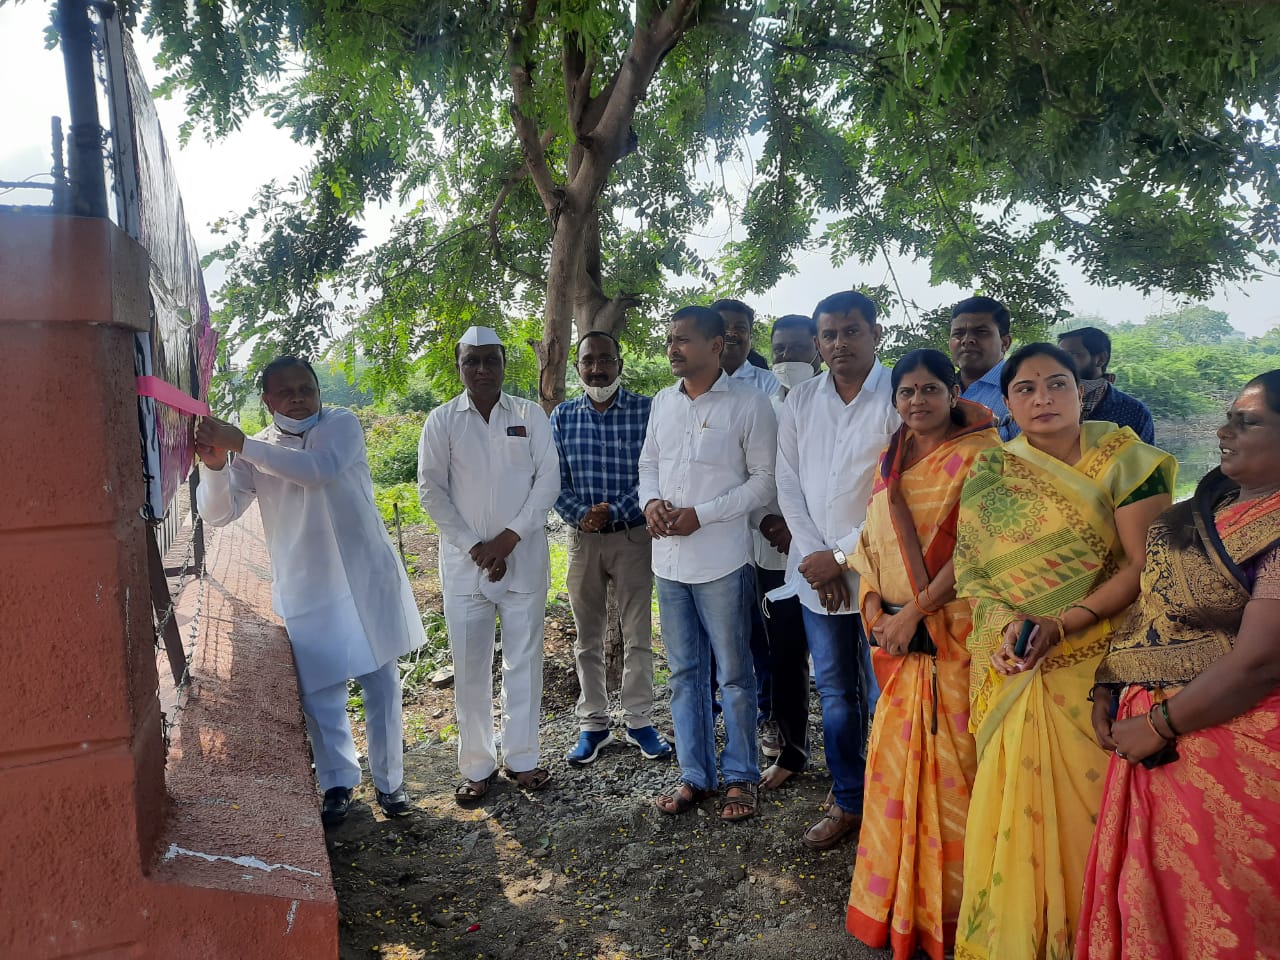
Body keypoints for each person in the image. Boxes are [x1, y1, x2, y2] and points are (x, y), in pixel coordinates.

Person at [952, 343, 1175, 960]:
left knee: (1093, 814)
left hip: (1100, 664)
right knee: (1014, 810)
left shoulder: (1129, 462)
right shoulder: (993, 472)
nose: (1042, 399)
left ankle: (1097, 939)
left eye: (1057, 385)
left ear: (1086, 392)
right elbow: (975, 576)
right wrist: (1004, 631)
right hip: (1020, 664)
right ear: (1009, 402)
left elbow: (1144, 567)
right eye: (1025, 389)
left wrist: (1064, 620)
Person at [1076, 370, 1280, 960]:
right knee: (1153, 893)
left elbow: (1261, 662)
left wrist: (1161, 724)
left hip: (1237, 746)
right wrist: (1109, 685)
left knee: (1233, 909)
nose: (1223, 432)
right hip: (1152, 731)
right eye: (1227, 417)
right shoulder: (1198, 512)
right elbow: (1153, 605)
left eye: (1247, 422)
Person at [194, 356, 426, 826]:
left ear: (319, 390)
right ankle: (338, 783)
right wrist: (218, 466)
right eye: (286, 391)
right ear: (267, 400)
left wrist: (241, 445)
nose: (299, 397)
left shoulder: (341, 424)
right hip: (308, 584)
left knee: (381, 685)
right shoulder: (256, 448)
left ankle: (390, 782)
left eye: (306, 387)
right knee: (322, 694)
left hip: (364, 577)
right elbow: (218, 515)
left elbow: (317, 469)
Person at [845, 350, 999, 960]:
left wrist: (917, 612)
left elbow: (984, 551)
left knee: (955, 768)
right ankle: (893, 902)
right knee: (895, 765)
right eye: (906, 392)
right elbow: (869, 542)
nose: (916, 402)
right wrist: (878, 609)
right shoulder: (892, 459)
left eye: (930, 389)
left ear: (953, 390)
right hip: (900, 636)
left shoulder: (986, 457)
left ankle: (954, 911)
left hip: (956, 633)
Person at [775, 290, 900, 849]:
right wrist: (816, 559)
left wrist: (843, 555)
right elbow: (788, 483)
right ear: (818, 344)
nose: (839, 343)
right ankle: (849, 798)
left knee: (886, 694)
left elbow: (899, 491)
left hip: (883, 574)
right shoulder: (801, 401)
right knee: (833, 692)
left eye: (851, 331)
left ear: (876, 334)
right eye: (829, 335)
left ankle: (892, 800)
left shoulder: (901, 394)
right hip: (816, 575)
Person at [641, 305, 777, 822]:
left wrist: (704, 515)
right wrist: (650, 502)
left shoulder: (751, 405)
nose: (673, 348)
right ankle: (695, 774)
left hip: (721, 559)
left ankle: (741, 776)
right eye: (670, 339)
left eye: (684, 340)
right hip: (668, 562)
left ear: (717, 345)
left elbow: (764, 481)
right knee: (683, 674)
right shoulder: (663, 402)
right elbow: (648, 463)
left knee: (735, 675)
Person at [418, 326, 560, 803]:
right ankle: (477, 766)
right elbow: (430, 491)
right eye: (471, 361)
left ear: (504, 364)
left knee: (524, 663)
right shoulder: (442, 421)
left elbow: (548, 482)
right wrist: (476, 548)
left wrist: (508, 539)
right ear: (459, 365)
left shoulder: (529, 416)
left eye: (490, 360)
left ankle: (522, 758)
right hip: (466, 567)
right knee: (470, 667)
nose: (481, 370)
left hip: (523, 559)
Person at [550, 331, 670, 765]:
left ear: (620, 363)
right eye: (588, 361)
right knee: (588, 636)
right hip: (583, 541)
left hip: (635, 537)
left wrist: (616, 509)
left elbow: (655, 471)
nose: (596, 368)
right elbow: (553, 480)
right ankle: (593, 724)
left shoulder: (646, 410)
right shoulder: (562, 417)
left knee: (638, 634)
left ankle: (639, 719)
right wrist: (581, 514)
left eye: (605, 359)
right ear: (577, 367)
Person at [757, 313, 819, 786]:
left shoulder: (827, 402)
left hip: (824, 551)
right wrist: (766, 521)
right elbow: (746, 471)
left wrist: (799, 534)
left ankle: (856, 759)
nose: (787, 357)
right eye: (780, 349)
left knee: (844, 665)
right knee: (784, 654)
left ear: (816, 349)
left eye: (798, 349)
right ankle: (792, 750)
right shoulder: (759, 403)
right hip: (768, 550)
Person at [1056, 326, 1156, 443]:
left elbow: (1146, 459)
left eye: (1072, 355)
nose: (1061, 362)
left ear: (1101, 359)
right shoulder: (1044, 403)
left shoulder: (1135, 412)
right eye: (1059, 356)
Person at [948, 296, 1017, 440]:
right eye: (958, 333)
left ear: (1005, 343)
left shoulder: (1020, 391)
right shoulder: (938, 391)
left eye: (981, 331)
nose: (967, 340)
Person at [712, 298, 785, 400]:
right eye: (724, 326)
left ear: (750, 336)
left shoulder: (770, 382)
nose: (731, 333)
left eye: (740, 328)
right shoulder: (694, 380)